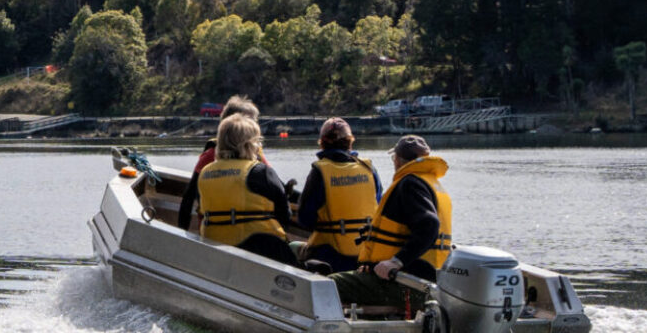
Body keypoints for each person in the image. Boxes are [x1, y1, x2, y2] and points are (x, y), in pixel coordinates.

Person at [330, 135, 453, 306]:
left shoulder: (410, 184)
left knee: (329, 284)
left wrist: (396, 261)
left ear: (398, 160)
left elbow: (429, 225)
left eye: (394, 157)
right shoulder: (431, 183)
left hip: (407, 283)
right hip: (428, 282)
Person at [184, 114, 299, 266]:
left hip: (216, 248)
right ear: (249, 143)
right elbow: (285, 215)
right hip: (262, 250)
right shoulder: (260, 171)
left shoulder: (205, 173)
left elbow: (199, 207)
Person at [297, 118, 380, 274]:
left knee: (294, 250)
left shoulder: (319, 171)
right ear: (350, 141)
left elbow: (305, 220)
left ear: (322, 142)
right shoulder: (368, 169)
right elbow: (378, 204)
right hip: (365, 254)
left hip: (328, 256)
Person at [178, 95, 268, 230]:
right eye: (250, 121)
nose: (255, 126)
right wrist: (181, 233)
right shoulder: (210, 156)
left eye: (255, 121)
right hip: (218, 230)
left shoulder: (256, 154)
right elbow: (189, 197)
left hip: (253, 228)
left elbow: (276, 187)